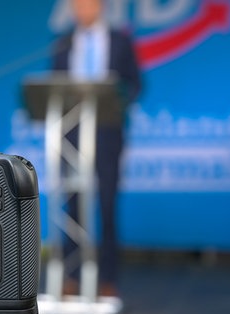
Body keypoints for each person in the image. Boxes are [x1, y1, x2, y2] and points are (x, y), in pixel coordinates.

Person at [51, 0, 142, 297]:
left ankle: (108, 279)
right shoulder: (63, 43)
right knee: (72, 204)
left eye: (88, 4)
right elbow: (53, 86)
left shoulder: (120, 41)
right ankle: (71, 276)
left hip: (107, 132)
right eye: (77, 5)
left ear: (100, 6)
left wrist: (117, 100)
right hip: (73, 134)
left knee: (106, 204)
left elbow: (136, 83)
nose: (83, 9)